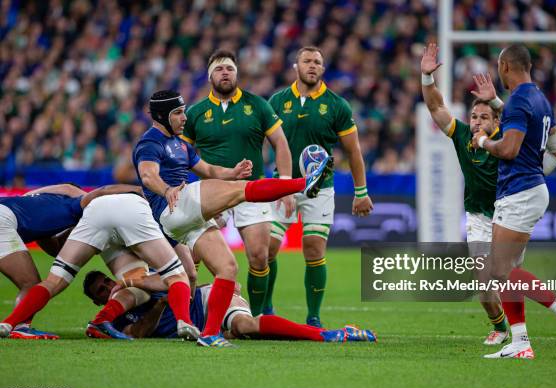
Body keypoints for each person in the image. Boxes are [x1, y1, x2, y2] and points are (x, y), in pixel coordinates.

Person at [133, 90, 333, 347]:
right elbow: (148, 175)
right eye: (178, 113)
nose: (185, 118)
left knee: (228, 268)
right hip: (172, 206)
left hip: (184, 219)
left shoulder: (181, 144)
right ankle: (304, 183)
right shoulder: (150, 142)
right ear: (162, 115)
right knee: (242, 192)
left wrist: (233, 171)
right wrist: (166, 190)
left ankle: (209, 335)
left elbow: (208, 170)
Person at [469, 44, 556, 359]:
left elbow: (508, 150)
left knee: (500, 269)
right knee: (506, 270)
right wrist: (495, 101)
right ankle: (520, 341)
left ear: (505, 66)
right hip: (526, 189)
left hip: (520, 191)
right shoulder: (539, 99)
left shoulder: (520, 101)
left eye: (498, 66)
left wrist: (482, 140)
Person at [0, 185, 202, 341]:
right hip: (131, 208)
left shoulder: (48, 204)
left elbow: (55, 247)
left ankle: (9, 323)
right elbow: (190, 273)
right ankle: (184, 321)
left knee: (53, 281)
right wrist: (139, 190)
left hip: (95, 214)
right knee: (177, 274)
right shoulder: (165, 209)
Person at [266, 46, 373, 327]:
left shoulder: (337, 105)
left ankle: (313, 317)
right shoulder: (277, 101)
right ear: (295, 66)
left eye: (317, 62)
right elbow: (259, 140)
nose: (312, 66)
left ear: (323, 69)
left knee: (314, 248)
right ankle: (265, 310)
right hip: (283, 185)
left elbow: (354, 152)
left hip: (320, 188)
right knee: (267, 249)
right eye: (307, 61)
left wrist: (361, 192)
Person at [183, 49, 293, 316]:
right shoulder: (195, 112)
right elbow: (181, 156)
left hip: (250, 190)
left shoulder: (257, 105)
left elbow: (280, 143)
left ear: (237, 74)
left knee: (259, 255)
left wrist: (286, 185)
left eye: (230, 68)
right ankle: (185, 314)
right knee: (191, 257)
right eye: (219, 69)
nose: (225, 73)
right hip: (211, 193)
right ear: (210, 76)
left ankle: (256, 317)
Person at [420, 43, 509, 344]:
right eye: (474, 117)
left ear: (496, 122)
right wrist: (427, 78)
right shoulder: (462, 135)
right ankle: (500, 328)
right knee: (484, 288)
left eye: (484, 117)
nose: (477, 122)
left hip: (508, 215)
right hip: (478, 217)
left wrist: (495, 101)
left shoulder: (508, 140)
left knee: (510, 280)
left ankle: (554, 316)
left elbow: (524, 125)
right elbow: (435, 107)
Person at [82, 270, 377, 343]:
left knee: (244, 325)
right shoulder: (117, 326)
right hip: (201, 320)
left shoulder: (133, 288)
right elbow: (140, 333)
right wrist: (162, 304)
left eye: (107, 282)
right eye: (102, 291)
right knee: (246, 331)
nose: (110, 289)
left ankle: (330, 334)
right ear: (97, 301)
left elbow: (179, 280)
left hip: (208, 301)